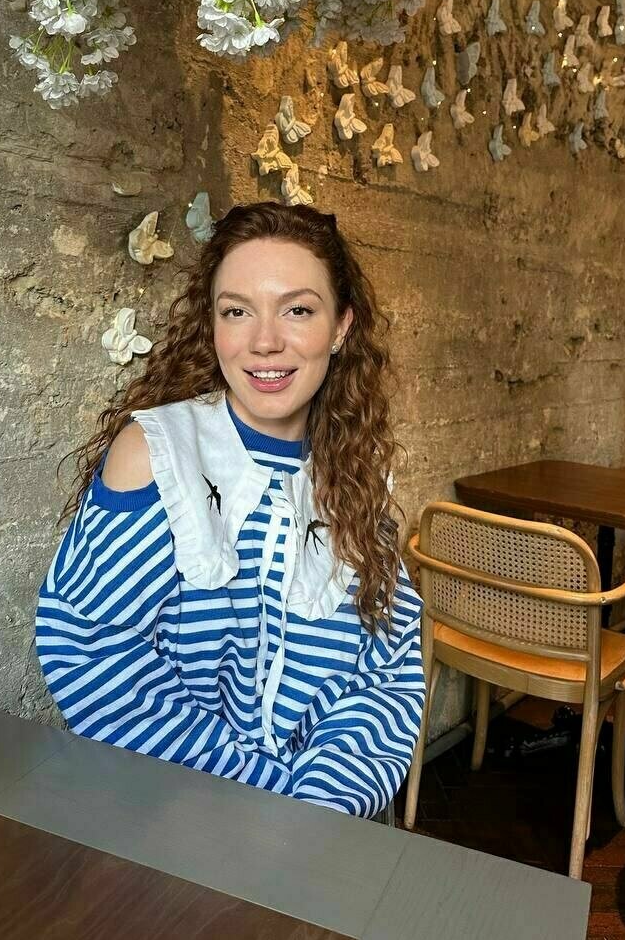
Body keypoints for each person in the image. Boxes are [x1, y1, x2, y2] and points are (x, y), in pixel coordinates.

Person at [35, 202, 425, 818]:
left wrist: (315, 811)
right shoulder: (156, 455)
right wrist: (257, 794)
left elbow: (384, 678)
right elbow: (91, 648)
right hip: (168, 816)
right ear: (212, 325)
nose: (264, 342)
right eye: (237, 311)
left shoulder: (357, 477)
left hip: (317, 830)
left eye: (297, 310)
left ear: (341, 327)